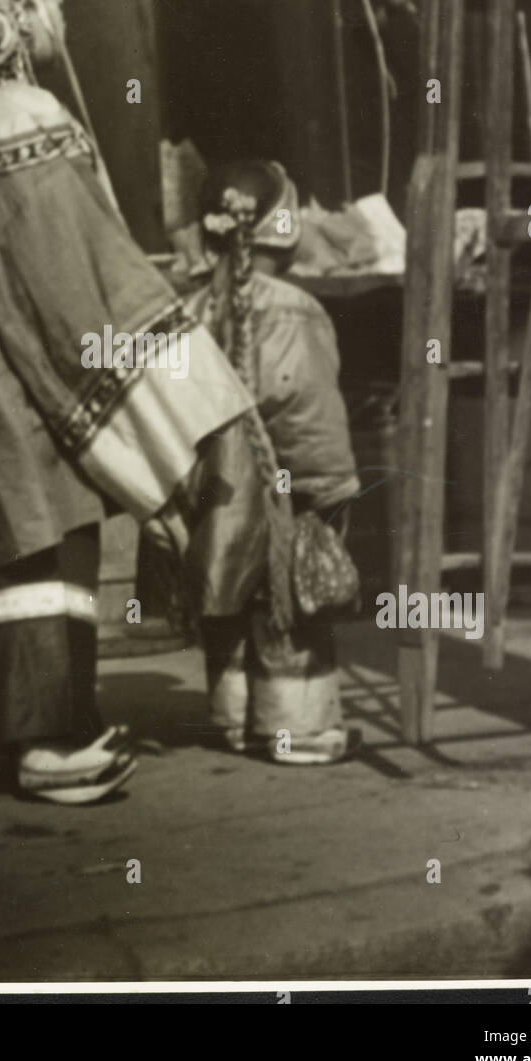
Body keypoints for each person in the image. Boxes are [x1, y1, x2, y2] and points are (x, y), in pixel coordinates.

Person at [0, 0, 251, 804]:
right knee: (42, 544)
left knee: (13, 547)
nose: (62, 14)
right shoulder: (26, 118)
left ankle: (39, 726)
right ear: (16, 19)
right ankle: (46, 741)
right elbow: (73, 269)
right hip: (20, 377)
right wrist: (161, 341)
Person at [183, 159, 363, 765]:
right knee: (287, 602)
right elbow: (309, 411)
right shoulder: (295, 309)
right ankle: (298, 728)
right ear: (283, 231)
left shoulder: (191, 310)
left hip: (214, 488)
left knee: (227, 596)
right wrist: (330, 489)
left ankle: (233, 718)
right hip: (284, 489)